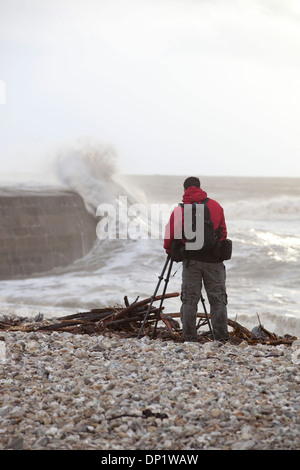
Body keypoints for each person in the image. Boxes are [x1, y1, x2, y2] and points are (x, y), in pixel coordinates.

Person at [163, 176, 230, 343]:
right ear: (200, 187)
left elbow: (169, 235)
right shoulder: (215, 206)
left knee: (189, 300)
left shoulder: (180, 209)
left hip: (191, 261)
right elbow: (223, 232)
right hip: (214, 261)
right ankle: (221, 337)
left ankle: (190, 337)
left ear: (185, 189)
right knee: (218, 299)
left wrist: (170, 251)